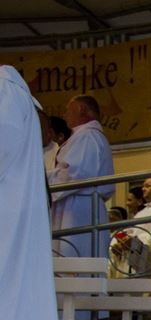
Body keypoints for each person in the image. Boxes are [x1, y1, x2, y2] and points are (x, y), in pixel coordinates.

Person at [0, 66, 66, 320]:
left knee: (9, 293)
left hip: (8, 213)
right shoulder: (14, 91)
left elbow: (3, 142)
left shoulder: (5, 88)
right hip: (11, 209)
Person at [48, 94, 114, 257]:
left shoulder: (88, 136)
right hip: (78, 205)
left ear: (82, 109)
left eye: (68, 110)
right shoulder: (84, 136)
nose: (65, 115)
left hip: (79, 208)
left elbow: (75, 173)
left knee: (74, 256)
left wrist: (43, 181)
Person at [110, 177, 151, 277]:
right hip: (138, 258)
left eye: (147, 186)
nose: (143, 189)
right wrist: (122, 243)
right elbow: (133, 232)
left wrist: (133, 242)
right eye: (143, 186)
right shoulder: (143, 211)